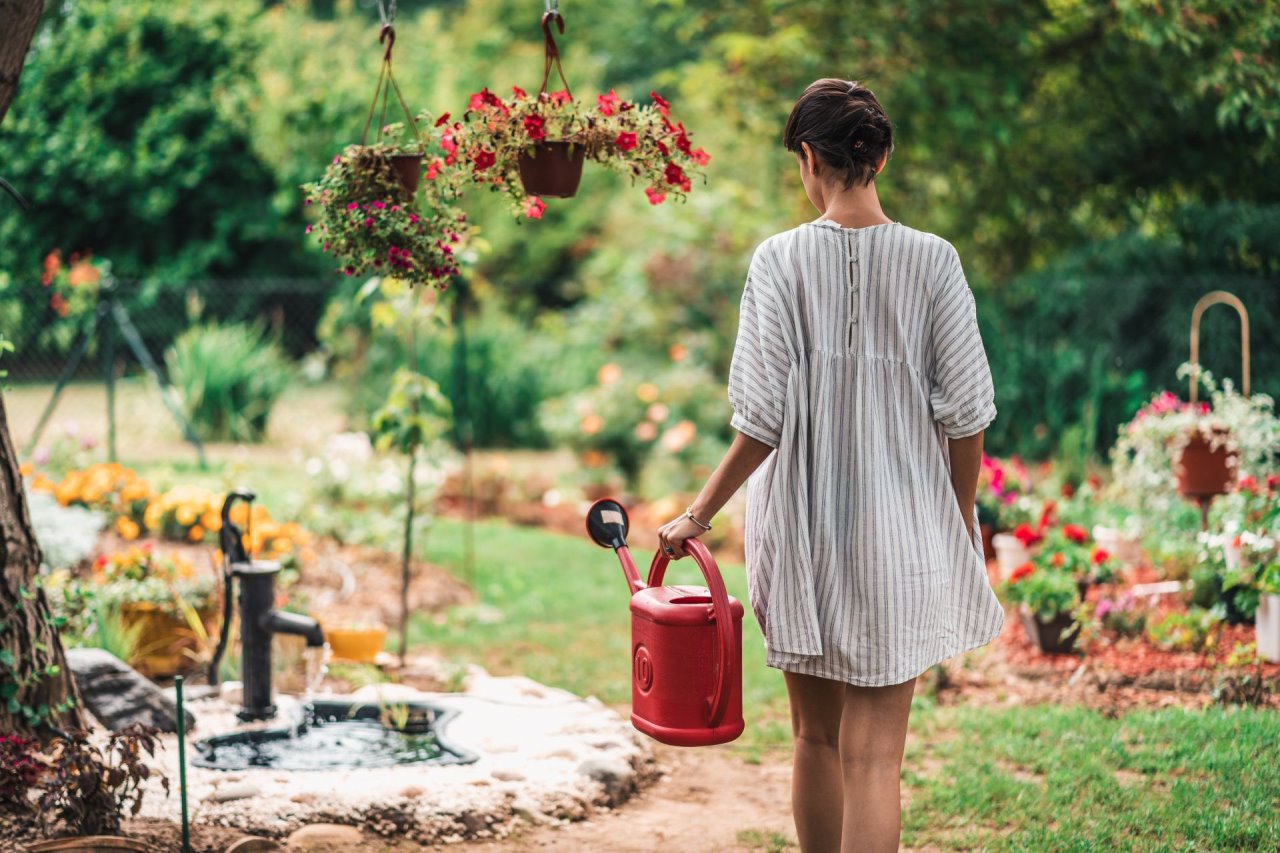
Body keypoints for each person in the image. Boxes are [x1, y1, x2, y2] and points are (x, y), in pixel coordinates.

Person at [657, 78, 1005, 853]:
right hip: (901, 534)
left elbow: (760, 422)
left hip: (801, 531)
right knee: (875, 758)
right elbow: (968, 415)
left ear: (810, 158)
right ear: (881, 156)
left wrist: (697, 513)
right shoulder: (934, 261)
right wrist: (957, 516)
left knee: (814, 737)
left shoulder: (778, 261)